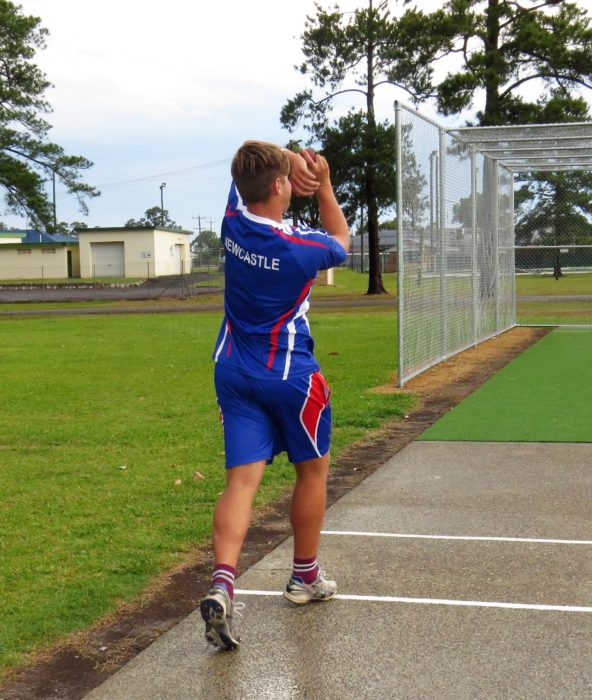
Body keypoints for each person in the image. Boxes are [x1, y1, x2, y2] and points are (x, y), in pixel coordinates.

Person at [199, 140, 349, 650]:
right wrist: (322, 183)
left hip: (233, 371)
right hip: (291, 377)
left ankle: (223, 584)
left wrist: (289, 159)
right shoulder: (299, 247)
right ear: (281, 186)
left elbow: (248, 162)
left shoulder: (233, 221)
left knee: (241, 482)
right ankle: (304, 576)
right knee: (312, 471)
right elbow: (341, 239)